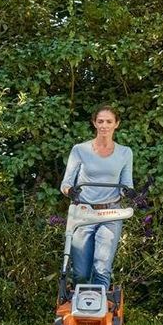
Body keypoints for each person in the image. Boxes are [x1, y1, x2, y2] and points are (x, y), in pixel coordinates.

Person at [60, 105, 134, 289]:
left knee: (102, 268)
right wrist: (71, 191)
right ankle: (80, 308)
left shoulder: (125, 152)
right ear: (94, 123)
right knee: (81, 273)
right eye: (100, 121)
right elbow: (66, 184)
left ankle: (100, 312)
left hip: (111, 214)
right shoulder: (79, 150)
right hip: (84, 212)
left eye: (109, 121)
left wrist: (129, 192)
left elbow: (126, 184)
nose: (104, 125)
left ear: (116, 124)